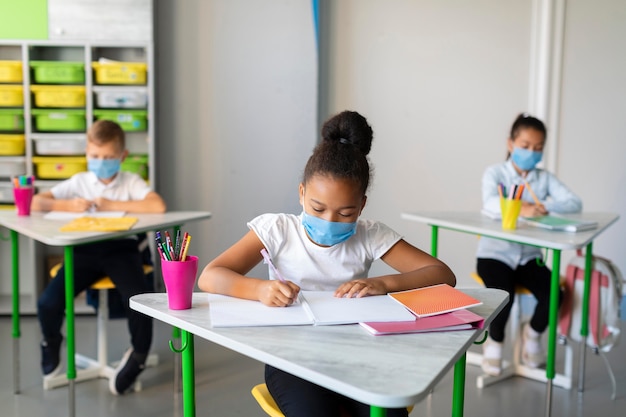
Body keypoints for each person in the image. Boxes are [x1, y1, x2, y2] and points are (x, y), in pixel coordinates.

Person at [198, 110, 456, 417]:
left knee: (387, 411)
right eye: (317, 208)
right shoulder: (277, 230)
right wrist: (259, 290)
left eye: (346, 213)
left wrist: (384, 284)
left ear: (362, 205)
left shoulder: (370, 234)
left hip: (359, 353)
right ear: (302, 193)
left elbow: (443, 275)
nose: (330, 220)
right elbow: (210, 276)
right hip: (291, 359)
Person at [32, 119, 167, 395]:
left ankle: (138, 356)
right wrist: (66, 205)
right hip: (84, 250)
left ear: (122, 156)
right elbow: (36, 201)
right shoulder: (80, 181)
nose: (101, 162)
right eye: (95, 156)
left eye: (108, 157)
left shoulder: (130, 182)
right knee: (48, 302)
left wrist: (110, 204)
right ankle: (51, 341)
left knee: (139, 301)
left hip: (121, 250)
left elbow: (157, 205)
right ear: (86, 153)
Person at [476, 113, 582, 376]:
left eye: (537, 148)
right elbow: (488, 204)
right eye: (525, 146)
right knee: (504, 297)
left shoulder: (544, 179)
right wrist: (520, 208)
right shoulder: (495, 173)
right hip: (495, 254)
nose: (531, 153)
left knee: (555, 294)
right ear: (510, 143)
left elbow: (574, 203)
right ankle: (496, 341)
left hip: (529, 257)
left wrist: (544, 206)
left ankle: (532, 335)